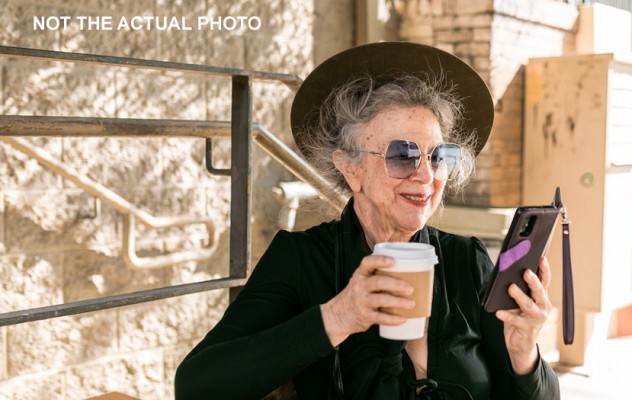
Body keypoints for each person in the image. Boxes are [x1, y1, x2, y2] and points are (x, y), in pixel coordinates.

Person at [175, 42, 560, 400]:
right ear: (350, 169)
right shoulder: (301, 260)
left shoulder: (466, 260)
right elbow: (196, 385)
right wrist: (341, 316)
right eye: (403, 155)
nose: (426, 176)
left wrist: (524, 353)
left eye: (437, 156)